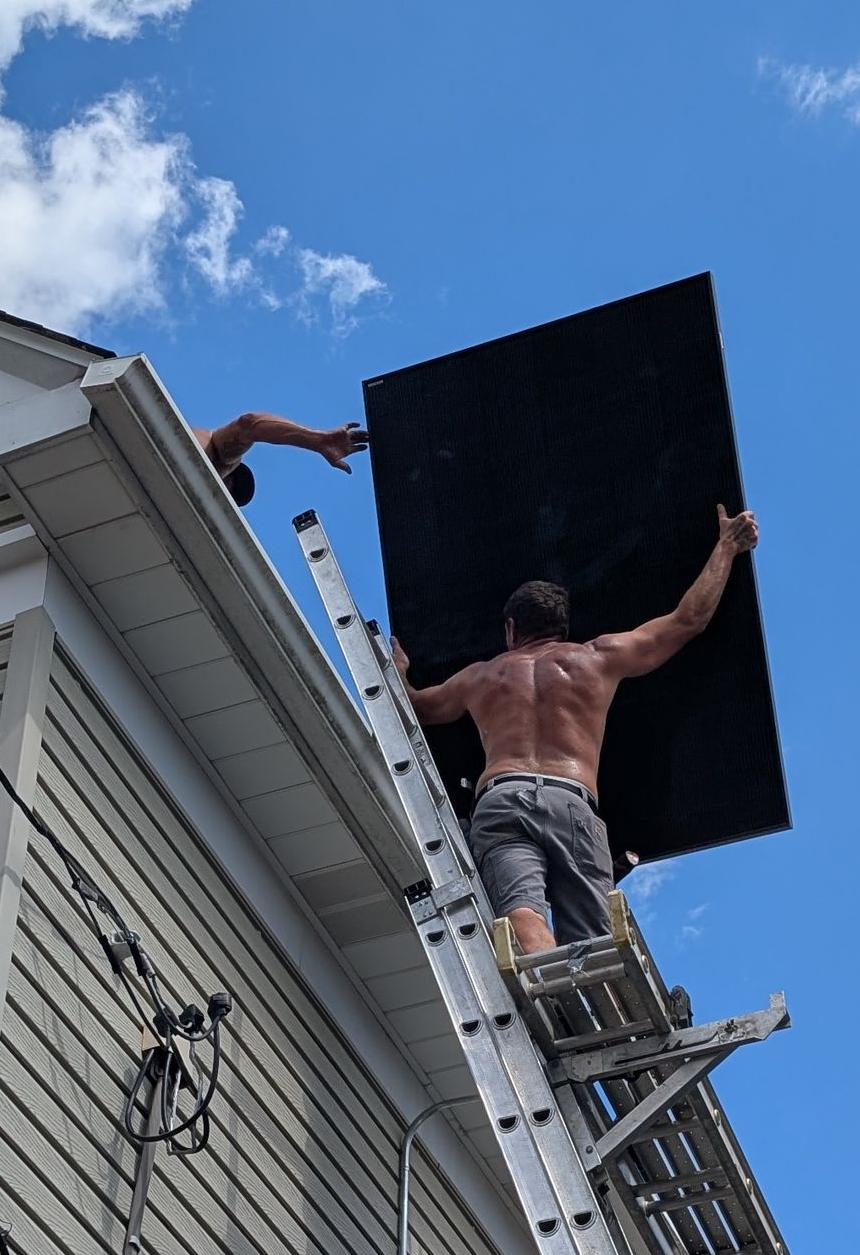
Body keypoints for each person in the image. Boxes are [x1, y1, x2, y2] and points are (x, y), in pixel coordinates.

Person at [392, 501, 760, 954]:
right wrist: (726, 547)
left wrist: (399, 671)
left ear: (510, 629)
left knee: (520, 911)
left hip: (502, 798)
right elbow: (688, 621)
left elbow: (418, 708)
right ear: (563, 627)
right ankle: (586, 1003)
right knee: (592, 939)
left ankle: (551, 989)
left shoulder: (481, 676)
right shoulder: (595, 658)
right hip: (571, 800)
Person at [191, 408, 368, 505]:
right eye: (231, 482)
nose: (226, 487)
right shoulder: (218, 456)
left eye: (230, 492)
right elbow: (249, 424)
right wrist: (318, 441)